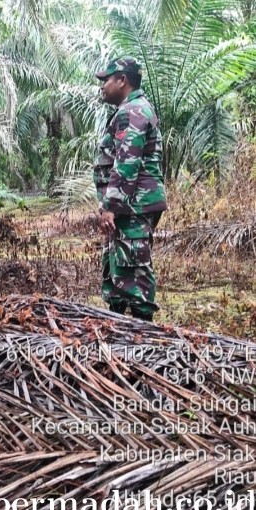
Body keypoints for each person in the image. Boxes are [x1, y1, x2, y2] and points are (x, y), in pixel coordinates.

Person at [93, 57, 167, 322]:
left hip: (132, 206)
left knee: (134, 270)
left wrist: (110, 207)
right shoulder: (133, 109)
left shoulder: (132, 112)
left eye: (106, 80)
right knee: (118, 268)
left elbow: (127, 163)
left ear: (122, 80)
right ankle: (119, 328)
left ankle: (142, 334)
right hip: (130, 205)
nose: (102, 86)